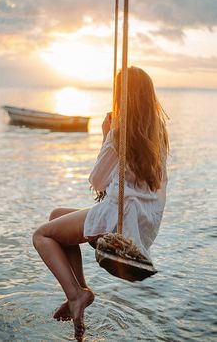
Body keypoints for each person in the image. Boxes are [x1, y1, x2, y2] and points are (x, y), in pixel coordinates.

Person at [32, 67, 169, 341]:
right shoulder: (158, 134)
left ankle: (76, 295)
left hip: (118, 219)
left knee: (43, 236)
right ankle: (81, 289)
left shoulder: (120, 130)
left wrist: (106, 134)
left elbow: (97, 180)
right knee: (56, 215)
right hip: (141, 223)